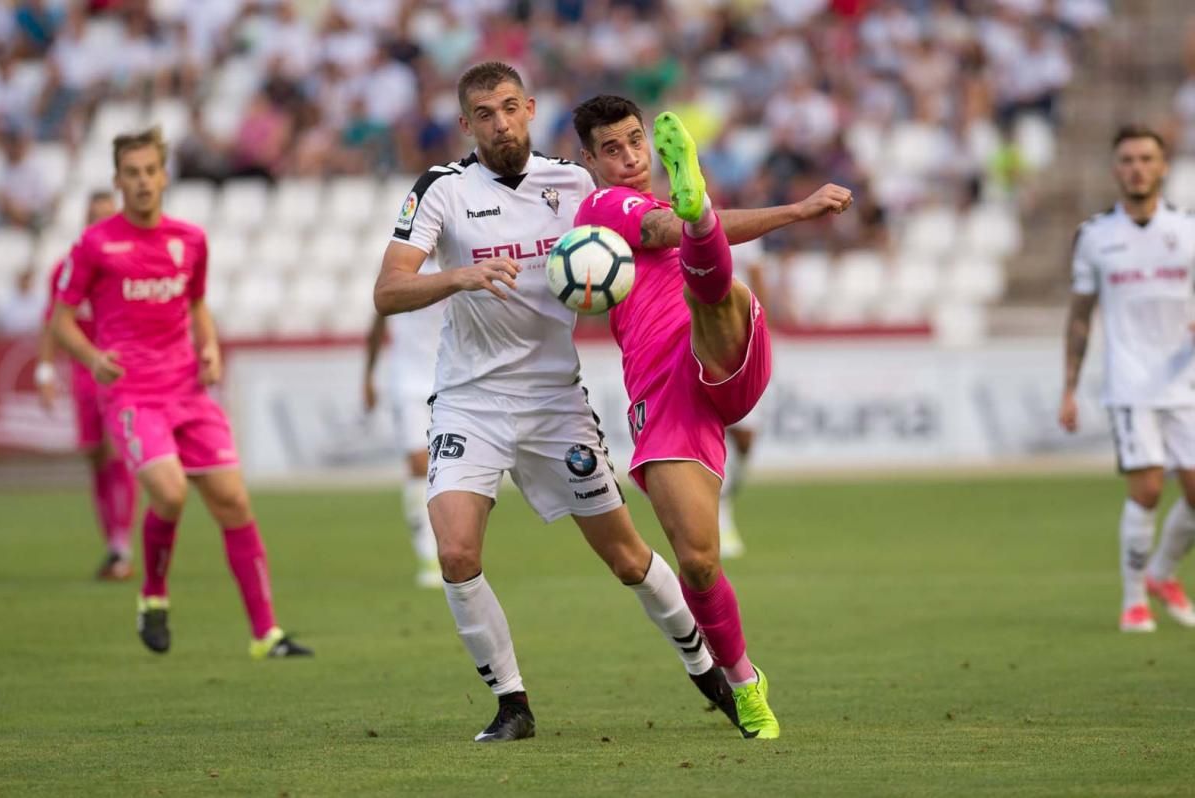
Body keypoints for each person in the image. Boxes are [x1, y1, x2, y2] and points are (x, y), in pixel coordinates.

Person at [373, 62, 737, 743]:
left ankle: (706, 666)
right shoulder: (441, 191)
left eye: (511, 107)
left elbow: (647, 231)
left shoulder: (573, 184)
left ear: (530, 108)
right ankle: (513, 703)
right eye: (485, 113)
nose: (501, 121)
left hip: (553, 401)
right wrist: (462, 276)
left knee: (627, 557)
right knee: (455, 552)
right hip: (469, 400)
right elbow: (387, 292)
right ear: (467, 124)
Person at [571, 95, 853, 739]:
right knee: (698, 560)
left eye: (635, 143)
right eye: (611, 150)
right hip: (664, 392)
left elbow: (688, 228)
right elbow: (666, 232)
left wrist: (715, 216)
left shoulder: (658, 205)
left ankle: (704, 226)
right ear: (589, 161)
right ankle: (747, 684)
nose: (630, 159)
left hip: (724, 343)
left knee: (715, 296)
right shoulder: (602, 208)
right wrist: (794, 210)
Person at [50, 127, 311, 659]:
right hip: (133, 395)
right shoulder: (96, 244)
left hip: (189, 390)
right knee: (169, 492)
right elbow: (60, 321)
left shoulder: (190, 240)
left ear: (165, 175)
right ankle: (153, 595)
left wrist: (210, 347)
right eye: (132, 173)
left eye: (151, 171)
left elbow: (196, 305)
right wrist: (93, 359)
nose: (143, 181)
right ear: (118, 180)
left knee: (234, 501)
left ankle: (266, 634)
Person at [1060, 124, 1195, 633]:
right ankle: (1134, 600)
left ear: (1162, 166)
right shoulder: (1095, 237)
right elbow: (1078, 315)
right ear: (1116, 169)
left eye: (1146, 158)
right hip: (1131, 382)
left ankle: (1162, 574)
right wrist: (1069, 387)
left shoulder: (1187, 230)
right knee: (1148, 490)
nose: (1137, 168)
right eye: (1127, 160)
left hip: (1187, 382)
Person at [37, 189, 138, 580]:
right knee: (95, 455)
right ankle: (113, 541)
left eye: (107, 216)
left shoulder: (130, 265)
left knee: (117, 452)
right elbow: (51, 322)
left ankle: (122, 547)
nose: (101, 223)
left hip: (119, 370)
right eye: (94, 216)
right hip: (83, 372)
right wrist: (45, 371)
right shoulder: (66, 268)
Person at [363, 255, 447, 589]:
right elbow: (377, 324)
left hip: (451, 378)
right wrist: (367, 375)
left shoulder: (459, 263)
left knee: (450, 469)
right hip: (408, 382)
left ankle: (454, 543)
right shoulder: (400, 269)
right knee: (418, 465)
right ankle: (429, 556)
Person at [719, 238, 771, 560]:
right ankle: (718, 508)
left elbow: (757, 276)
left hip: (746, 341)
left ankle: (724, 498)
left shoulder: (745, 233)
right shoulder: (679, 229)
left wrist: (762, 329)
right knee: (715, 427)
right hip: (707, 337)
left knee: (746, 437)